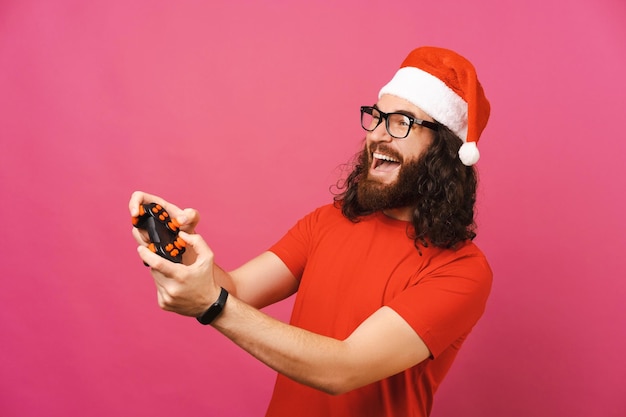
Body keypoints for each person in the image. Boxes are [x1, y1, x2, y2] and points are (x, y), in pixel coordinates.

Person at [129, 46, 492, 417]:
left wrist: (211, 304)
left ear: (444, 150)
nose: (378, 136)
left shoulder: (462, 270)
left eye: (401, 122)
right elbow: (235, 291)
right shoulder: (327, 221)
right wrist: (177, 245)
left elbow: (344, 368)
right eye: (377, 117)